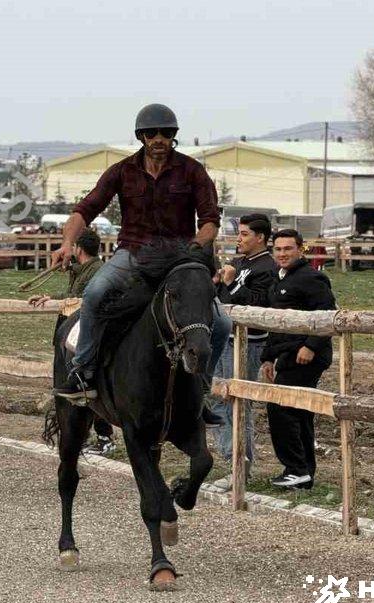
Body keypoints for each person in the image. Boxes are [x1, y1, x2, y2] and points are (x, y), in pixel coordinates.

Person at [49, 105, 228, 422]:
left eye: (166, 133)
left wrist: (195, 246)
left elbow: (210, 220)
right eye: (152, 133)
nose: (159, 138)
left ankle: (200, 390)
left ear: (173, 136)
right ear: (141, 137)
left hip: (178, 257)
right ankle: (83, 373)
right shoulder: (122, 171)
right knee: (93, 295)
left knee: (223, 324)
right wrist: (67, 243)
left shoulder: (192, 171)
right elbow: (85, 210)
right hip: (132, 253)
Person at [30, 229, 117, 456]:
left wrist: (58, 296)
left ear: (78, 248)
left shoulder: (96, 272)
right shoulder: (84, 270)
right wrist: (50, 297)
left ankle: (104, 435)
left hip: (83, 335)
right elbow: (71, 292)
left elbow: (81, 297)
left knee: (87, 383)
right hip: (72, 332)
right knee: (76, 386)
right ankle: (85, 434)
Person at [260, 229, 336, 489]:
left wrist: (311, 346)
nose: (282, 254)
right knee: (298, 411)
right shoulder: (279, 280)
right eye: (278, 249)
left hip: (307, 356)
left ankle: (296, 468)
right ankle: (304, 473)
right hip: (286, 354)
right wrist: (268, 358)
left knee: (280, 406)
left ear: (300, 249)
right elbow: (275, 323)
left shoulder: (312, 278)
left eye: (288, 249)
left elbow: (328, 313)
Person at [210, 213, 277, 474]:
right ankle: (231, 458)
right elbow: (224, 299)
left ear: (260, 237)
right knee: (216, 395)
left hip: (248, 342)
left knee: (238, 402)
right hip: (223, 338)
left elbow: (259, 304)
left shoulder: (267, 267)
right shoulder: (239, 262)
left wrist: (230, 283)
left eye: (245, 234)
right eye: (239, 233)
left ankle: (241, 465)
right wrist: (219, 285)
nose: (239, 238)